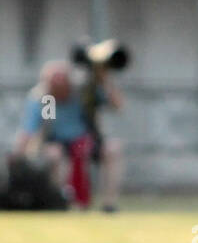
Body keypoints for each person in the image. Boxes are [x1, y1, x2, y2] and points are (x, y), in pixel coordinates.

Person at [12, 57, 124, 211]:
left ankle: (109, 204)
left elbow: (117, 106)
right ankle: (62, 201)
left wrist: (103, 79)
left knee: (113, 149)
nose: (59, 85)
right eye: (54, 81)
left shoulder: (83, 92)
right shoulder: (47, 99)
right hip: (57, 142)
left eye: (62, 79)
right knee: (55, 154)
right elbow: (31, 131)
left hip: (86, 140)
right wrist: (17, 156)